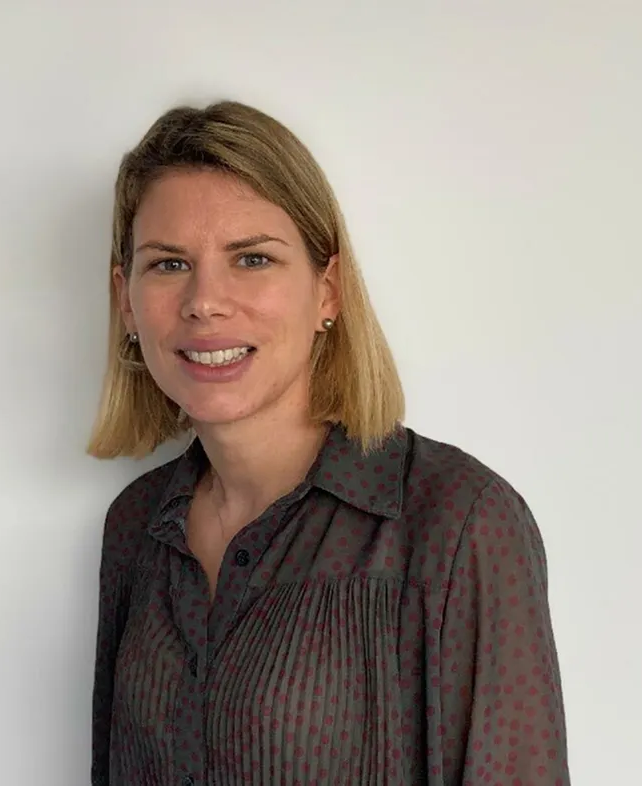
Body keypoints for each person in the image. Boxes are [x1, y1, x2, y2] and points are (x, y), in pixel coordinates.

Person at [87, 99, 569, 785]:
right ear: (125, 301)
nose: (205, 301)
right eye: (167, 265)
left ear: (328, 291)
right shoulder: (134, 528)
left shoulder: (457, 522)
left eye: (251, 258)